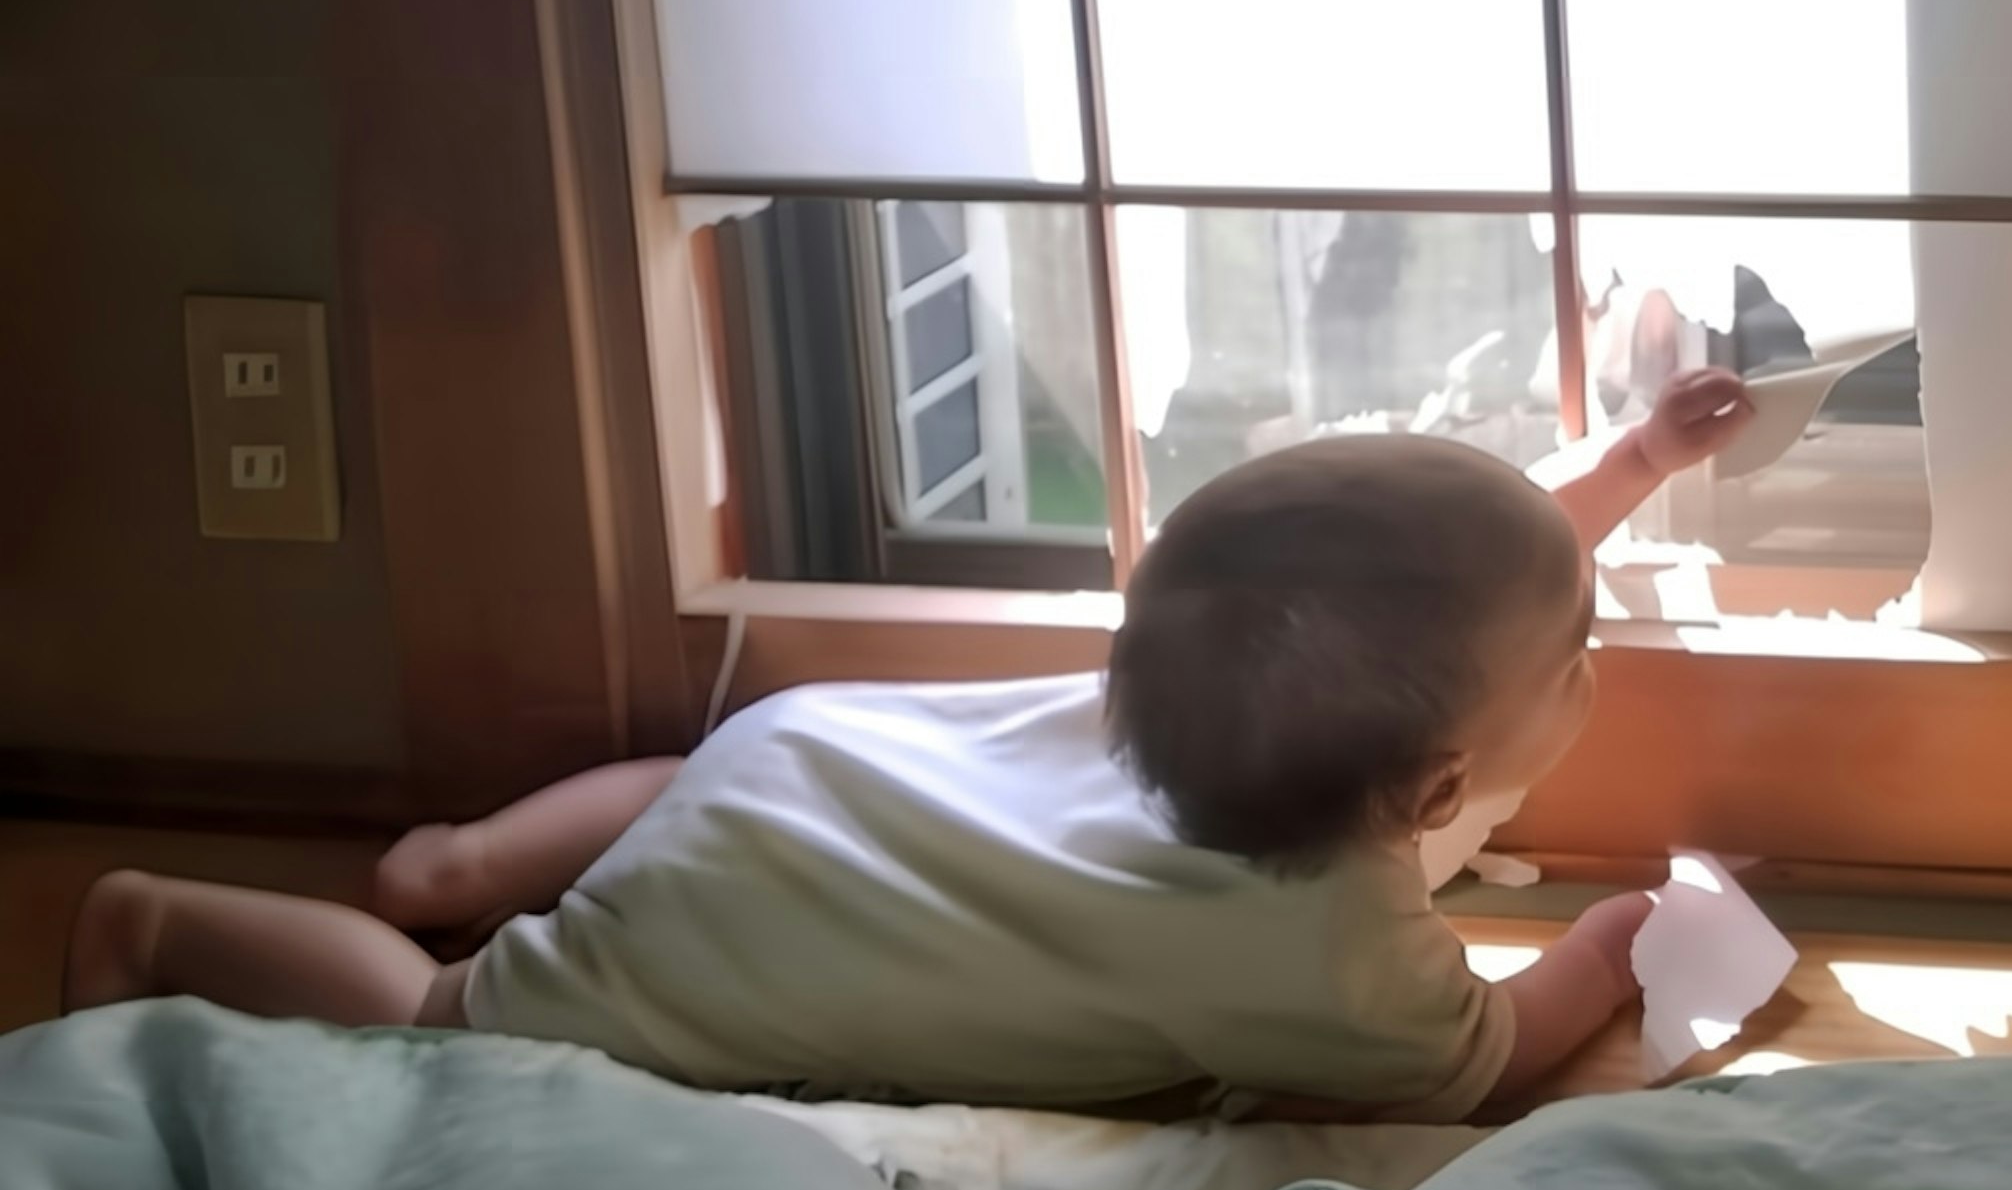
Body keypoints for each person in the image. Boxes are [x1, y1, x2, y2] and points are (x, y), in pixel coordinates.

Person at [61, 371, 1757, 1121]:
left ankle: (455, 859)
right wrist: (1614, 946)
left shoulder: (1214, 699)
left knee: (683, 792)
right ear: (1443, 791)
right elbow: (1485, 1057)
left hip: (794, 765)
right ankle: (152, 923)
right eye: (1580, 649)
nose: (1586, 640)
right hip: (734, 935)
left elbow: (1467, 582)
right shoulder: (1330, 944)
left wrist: (1632, 465)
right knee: (446, 1016)